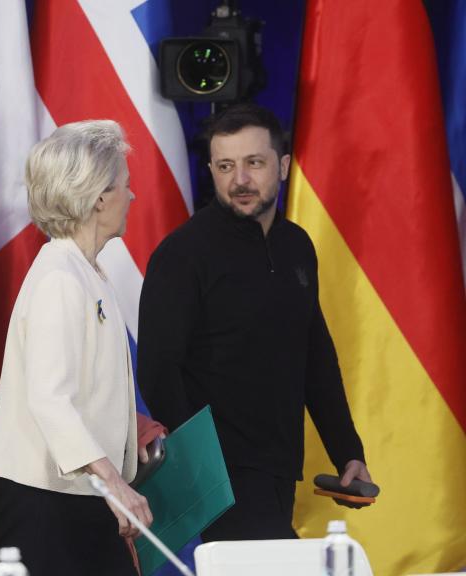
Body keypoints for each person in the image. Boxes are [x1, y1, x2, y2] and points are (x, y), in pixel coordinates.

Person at [136, 103, 371, 542]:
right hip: (224, 475)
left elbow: (315, 358)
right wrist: (202, 466)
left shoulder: (297, 246)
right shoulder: (182, 254)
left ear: (282, 166)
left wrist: (348, 453)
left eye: (254, 163)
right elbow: (157, 369)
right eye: (225, 166)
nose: (239, 180)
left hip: (281, 468)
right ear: (211, 170)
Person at [0, 120, 152, 576]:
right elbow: (49, 398)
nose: (132, 196)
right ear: (99, 197)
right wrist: (115, 483)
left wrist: (127, 430)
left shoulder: (84, 270)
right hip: (44, 499)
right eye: (124, 185)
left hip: (79, 489)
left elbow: (80, 386)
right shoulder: (59, 278)